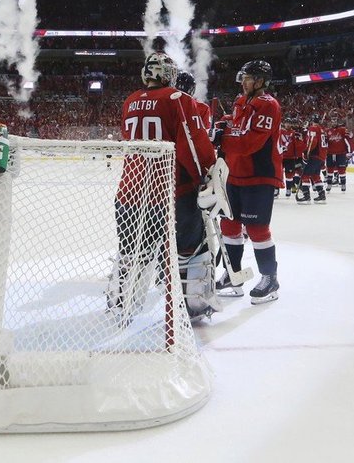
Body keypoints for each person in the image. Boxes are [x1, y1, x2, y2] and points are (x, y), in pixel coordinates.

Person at [117, 53, 217, 320]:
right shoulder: (179, 99)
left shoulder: (129, 101)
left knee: (132, 253)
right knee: (191, 249)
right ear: (167, 74)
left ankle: (121, 304)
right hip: (172, 192)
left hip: (130, 191)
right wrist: (206, 176)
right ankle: (193, 307)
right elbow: (193, 149)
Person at [215, 60, 283, 304]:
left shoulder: (268, 105)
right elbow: (235, 122)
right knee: (229, 226)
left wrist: (222, 138)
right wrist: (223, 123)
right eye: (243, 78)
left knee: (257, 230)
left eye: (249, 78)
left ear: (262, 81)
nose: (244, 82)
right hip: (234, 174)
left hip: (258, 175)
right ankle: (233, 275)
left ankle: (270, 279)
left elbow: (249, 143)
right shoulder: (241, 101)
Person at [297, 113, 327, 203]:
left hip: (315, 155)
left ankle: (306, 196)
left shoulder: (313, 128)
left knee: (305, 175)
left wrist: (306, 153)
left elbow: (312, 141)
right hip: (321, 156)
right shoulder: (322, 129)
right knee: (315, 175)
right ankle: (321, 195)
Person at [326, 117, 353, 192]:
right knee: (330, 169)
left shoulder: (342, 130)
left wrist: (349, 152)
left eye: (335, 121)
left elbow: (349, 139)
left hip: (341, 153)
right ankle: (329, 184)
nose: (334, 123)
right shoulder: (328, 131)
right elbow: (325, 143)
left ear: (337, 122)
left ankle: (343, 184)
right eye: (332, 121)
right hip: (330, 153)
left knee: (342, 170)